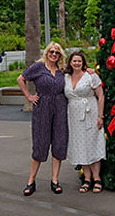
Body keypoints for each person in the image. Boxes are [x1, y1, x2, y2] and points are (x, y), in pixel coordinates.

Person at [17, 42, 69, 196]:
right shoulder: (38, 67)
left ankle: (54, 180)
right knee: (40, 144)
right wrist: (28, 96)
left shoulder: (62, 70)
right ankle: (31, 181)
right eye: (51, 52)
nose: (54, 55)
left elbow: (79, 69)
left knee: (59, 142)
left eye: (57, 53)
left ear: (60, 55)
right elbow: (21, 79)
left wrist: (90, 70)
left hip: (60, 107)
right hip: (42, 108)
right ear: (47, 52)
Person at [64, 51, 106, 193]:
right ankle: (87, 179)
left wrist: (100, 116)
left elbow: (100, 95)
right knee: (80, 145)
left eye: (79, 61)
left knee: (93, 143)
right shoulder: (66, 78)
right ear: (70, 62)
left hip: (91, 114)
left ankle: (97, 178)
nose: (76, 63)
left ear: (83, 63)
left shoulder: (91, 76)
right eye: (74, 61)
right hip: (74, 117)